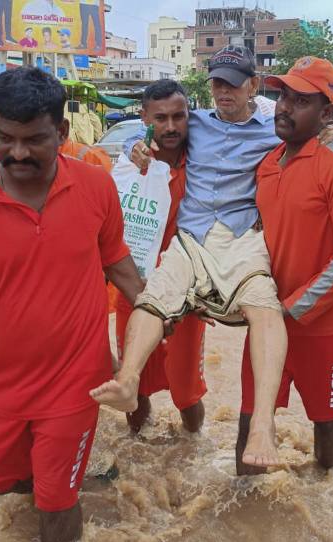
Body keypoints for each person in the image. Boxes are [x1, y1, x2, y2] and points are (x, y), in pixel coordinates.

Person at [91, 45, 290, 469]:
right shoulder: (170, 140)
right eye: (217, 82)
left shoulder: (271, 129)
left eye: (233, 84)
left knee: (256, 318)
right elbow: (146, 139)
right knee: (145, 330)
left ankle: (239, 435)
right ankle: (130, 409)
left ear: (253, 85)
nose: (223, 92)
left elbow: (307, 131)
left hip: (233, 243)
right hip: (173, 255)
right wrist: (132, 147)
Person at [0, 67, 144, 542]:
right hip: (0, 378)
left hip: (76, 378)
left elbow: (121, 267)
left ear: (63, 134)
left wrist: (161, 315)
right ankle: (60, 474)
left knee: (56, 505)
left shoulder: (96, 186)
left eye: (34, 139)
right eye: (4, 137)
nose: (18, 152)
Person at [237, 58, 333, 475]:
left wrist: (292, 307)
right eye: (282, 96)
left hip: (326, 324)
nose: (284, 107)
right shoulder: (268, 162)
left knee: (326, 419)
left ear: (327, 112)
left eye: (300, 100)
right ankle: (244, 508)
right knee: (250, 418)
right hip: (268, 318)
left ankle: (324, 482)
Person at [114, 79, 208, 434]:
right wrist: (130, 148)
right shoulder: (128, 167)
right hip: (133, 293)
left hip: (188, 301)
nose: (170, 126)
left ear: (190, 115)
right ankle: (138, 460)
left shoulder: (204, 162)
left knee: (188, 394)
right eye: (161, 118)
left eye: (178, 116)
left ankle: (192, 455)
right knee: (132, 388)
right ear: (145, 117)